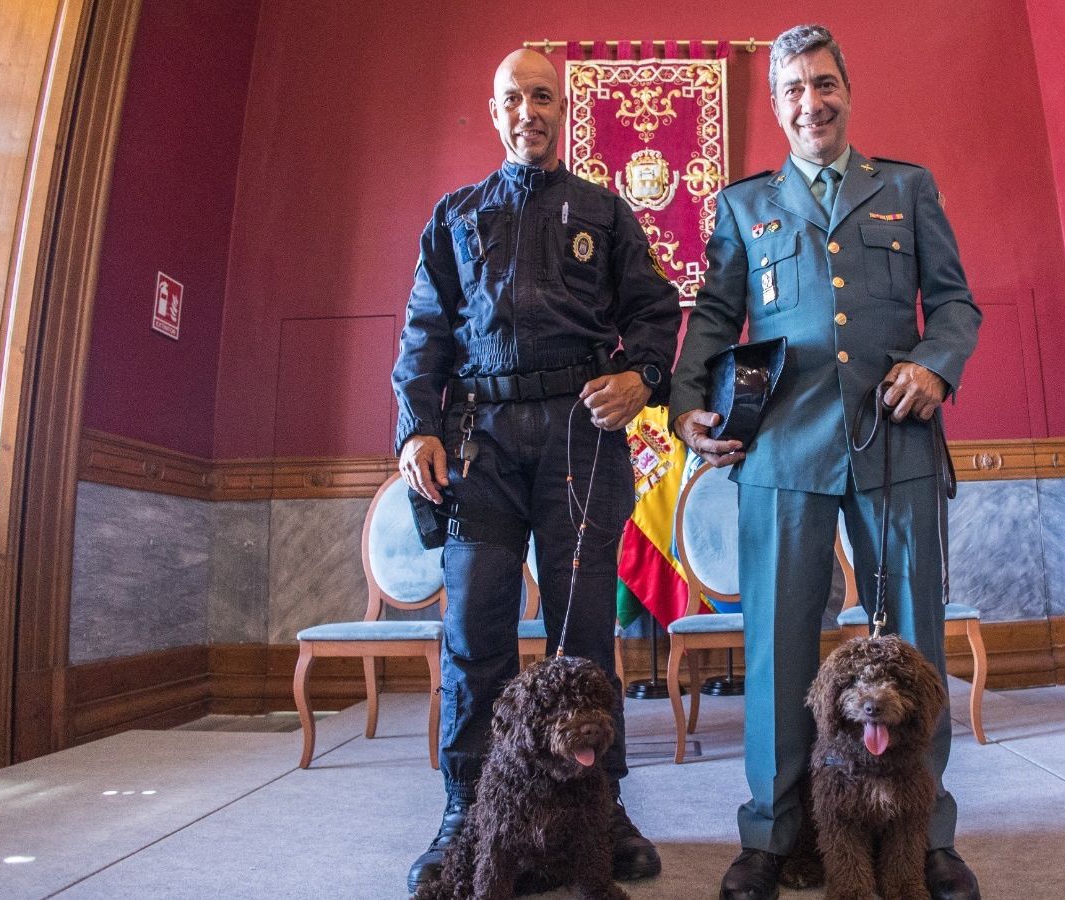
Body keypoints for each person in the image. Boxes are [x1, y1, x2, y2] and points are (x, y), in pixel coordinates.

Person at [669, 24, 983, 900]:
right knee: (777, 648)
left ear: (848, 89)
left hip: (896, 439)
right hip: (781, 445)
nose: (812, 101)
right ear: (774, 106)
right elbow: (712, 316)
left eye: (825, 82)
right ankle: (772, 836)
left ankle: (925, 838)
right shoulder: (744, 206)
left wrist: (935, 364)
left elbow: (955, 301)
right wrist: (687, 404)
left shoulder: (907, 188)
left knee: (913, 641)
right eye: (795, 89)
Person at [393, 48, 679, 896]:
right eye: (513, 98)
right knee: (475, 632)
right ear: (495, 112)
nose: (529, 110)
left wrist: (644, 378)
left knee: (582, 634)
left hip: (579, 437)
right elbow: (422, 336)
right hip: (478, 444)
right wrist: (416, 430)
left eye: (544, 96)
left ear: (565, 109)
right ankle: (467, 806)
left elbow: (656, 313)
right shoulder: (456, 214)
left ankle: (602, 803)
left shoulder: (604, 211)